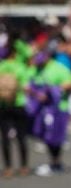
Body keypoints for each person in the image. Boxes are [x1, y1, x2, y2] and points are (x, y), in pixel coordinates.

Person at [29, 51, 71, 177]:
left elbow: (70, 82)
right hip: (43, 109)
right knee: (45, 136)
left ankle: (56, 164)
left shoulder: (58, 68)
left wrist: (54, 90)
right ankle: (54, 163)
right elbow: (31, 83)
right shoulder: (37, 69)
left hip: (58, 108)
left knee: (55, 137)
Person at [0, 36, 31, 178]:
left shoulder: (2, 66)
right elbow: (26, 87)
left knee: (5, 137)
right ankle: (24, 166)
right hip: (18, 103)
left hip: (3, 104)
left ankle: (8, 168)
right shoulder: (20, 67)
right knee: (21, 136)